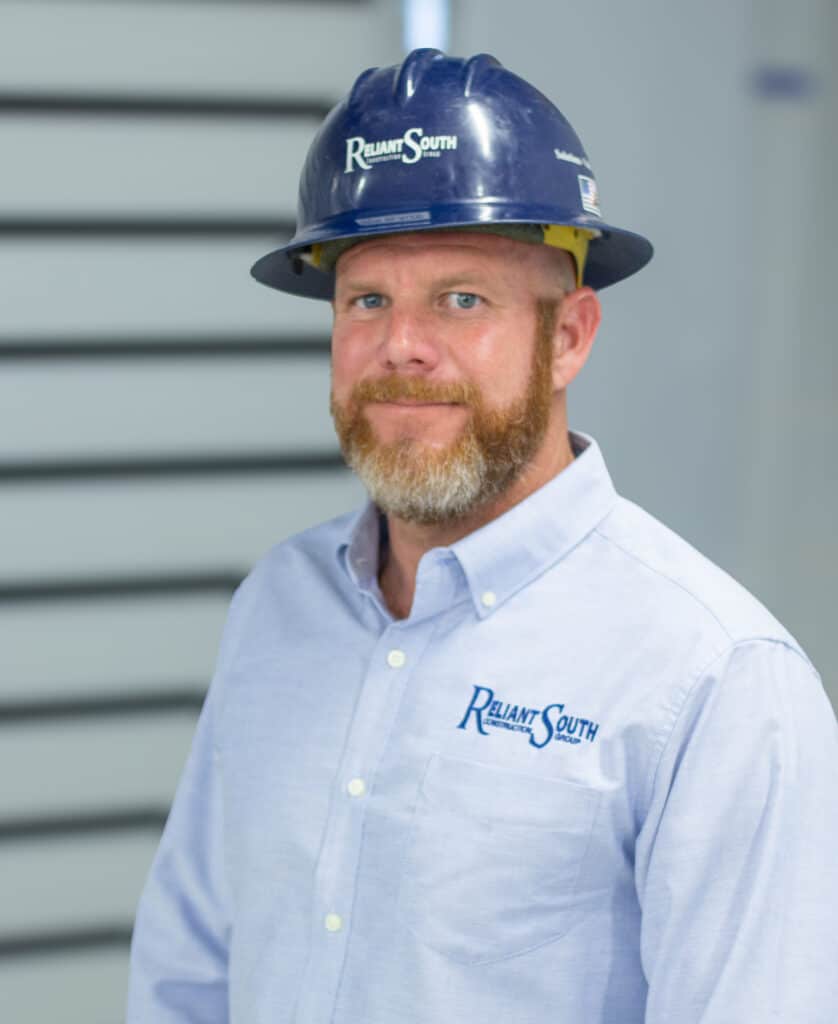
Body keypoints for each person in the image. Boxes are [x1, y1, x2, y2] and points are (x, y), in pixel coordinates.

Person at [126, 49, 838, 1023]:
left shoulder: (713, 678)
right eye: (367, 300)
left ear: (569, 336)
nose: (401, 347)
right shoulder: (279, 607)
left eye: (462, 299)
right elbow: (187, 973)